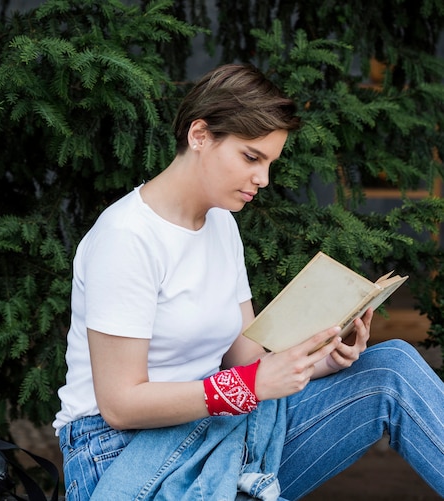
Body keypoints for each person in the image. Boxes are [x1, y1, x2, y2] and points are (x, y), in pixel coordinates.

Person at [52, 63, 444, 500]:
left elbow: (245, 361)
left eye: (270, 163)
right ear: (198, 136)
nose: (263, 179)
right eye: (251, 157)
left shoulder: (221, 223)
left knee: (392, 368)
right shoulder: (127, 237)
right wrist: (247, 386)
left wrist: (326, 361)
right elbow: (121, 405)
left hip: (217, 430)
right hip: (120, 453)